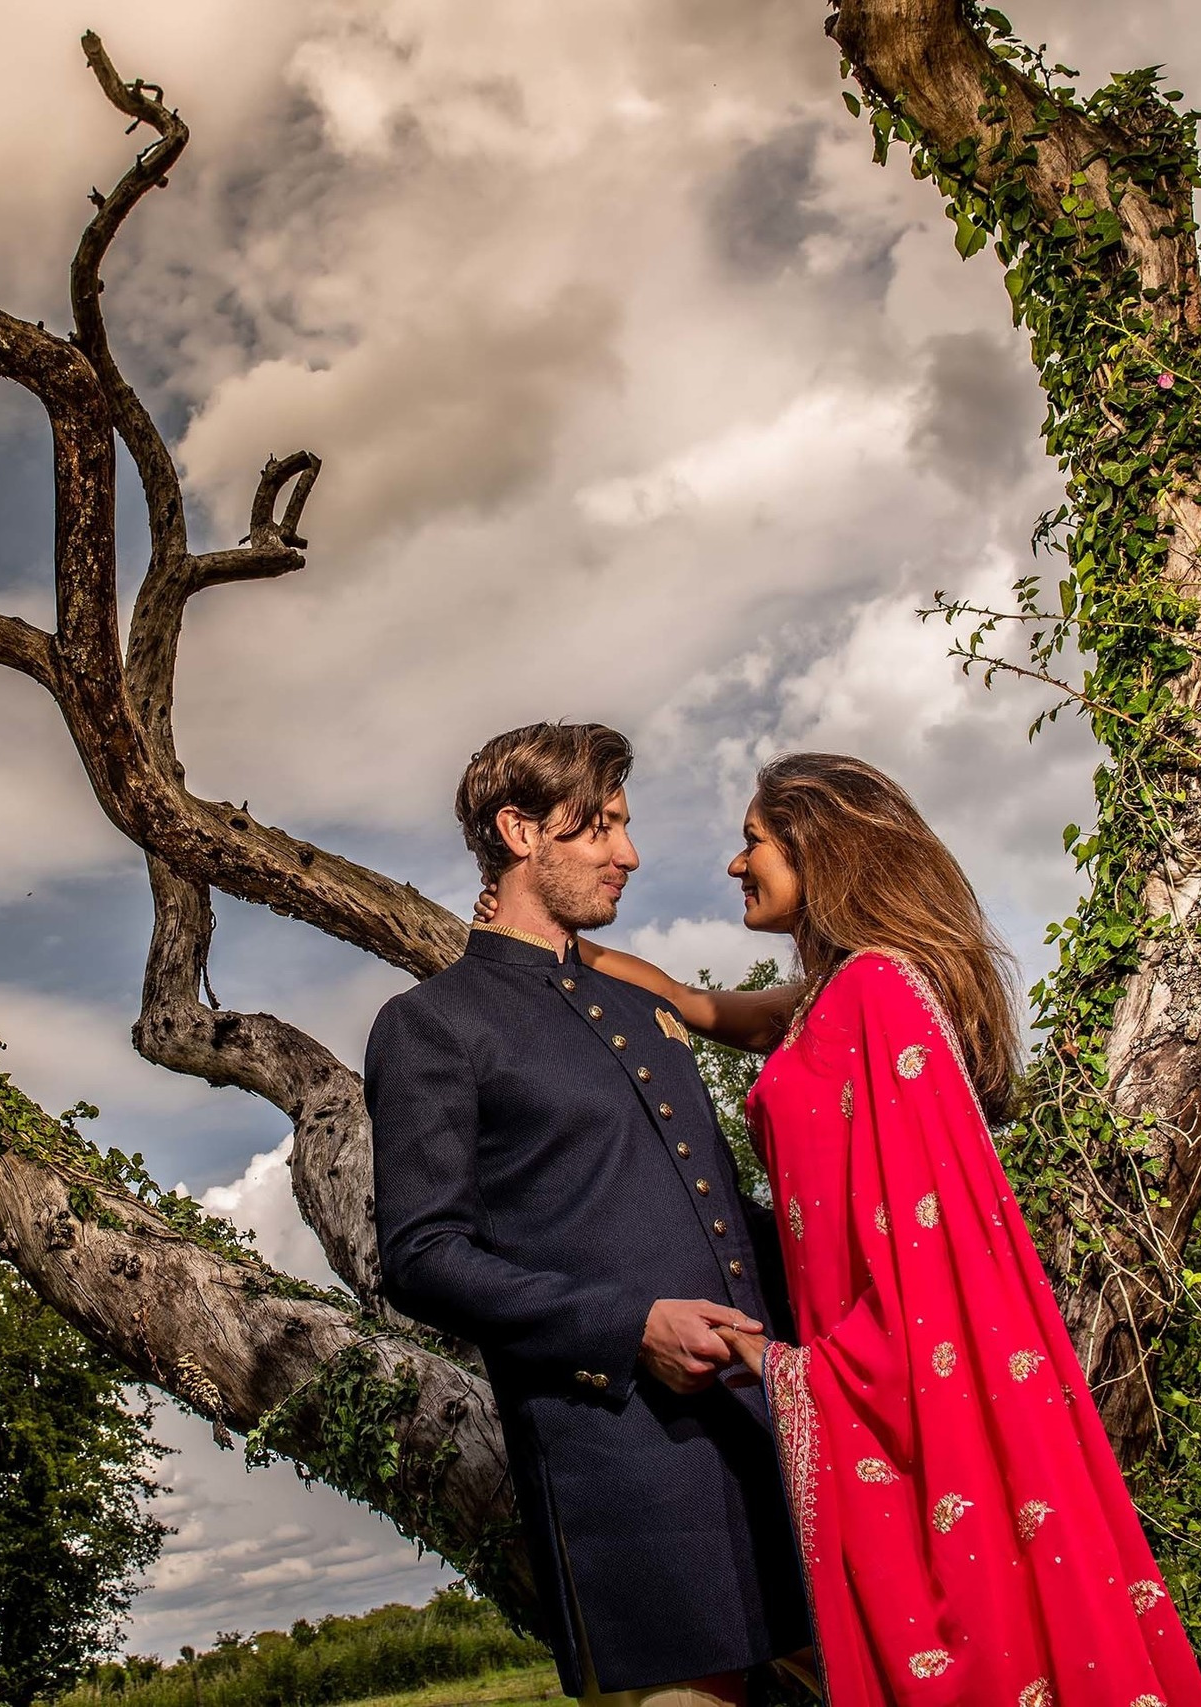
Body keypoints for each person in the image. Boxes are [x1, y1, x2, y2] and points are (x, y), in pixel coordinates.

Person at [562, 753, 1201, 1707]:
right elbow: (707, 1011)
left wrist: (792, 1367)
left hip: (893, 1371)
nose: (735, 864)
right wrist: (562, 957)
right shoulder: (840, 993)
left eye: (753, 841)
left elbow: (931, 1261)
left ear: (819, 847)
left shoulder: (877, 990)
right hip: (849, 1341)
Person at [366, 722, 815, 1707]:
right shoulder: (428, 1026)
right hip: (626, 1472)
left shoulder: (629, 1005)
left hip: (774, 1438)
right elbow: (422, 1255)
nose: (629, 853)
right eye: (599, 828)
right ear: (519, 831)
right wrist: (628, 1328)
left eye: (623, 824)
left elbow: (707, 1210)